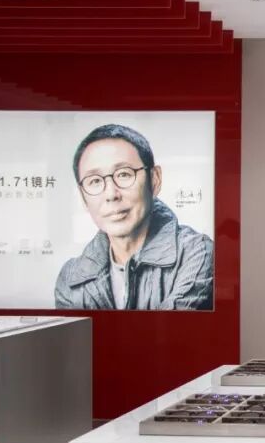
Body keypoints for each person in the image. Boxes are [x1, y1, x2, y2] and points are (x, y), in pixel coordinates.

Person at [54, 124, 214, 310]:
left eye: (124, 174)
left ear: (154, 180)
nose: (111, 194)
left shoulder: (197, 253)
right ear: (83, 197)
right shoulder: (71, 278)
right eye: (95, 181)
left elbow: (169, 328)